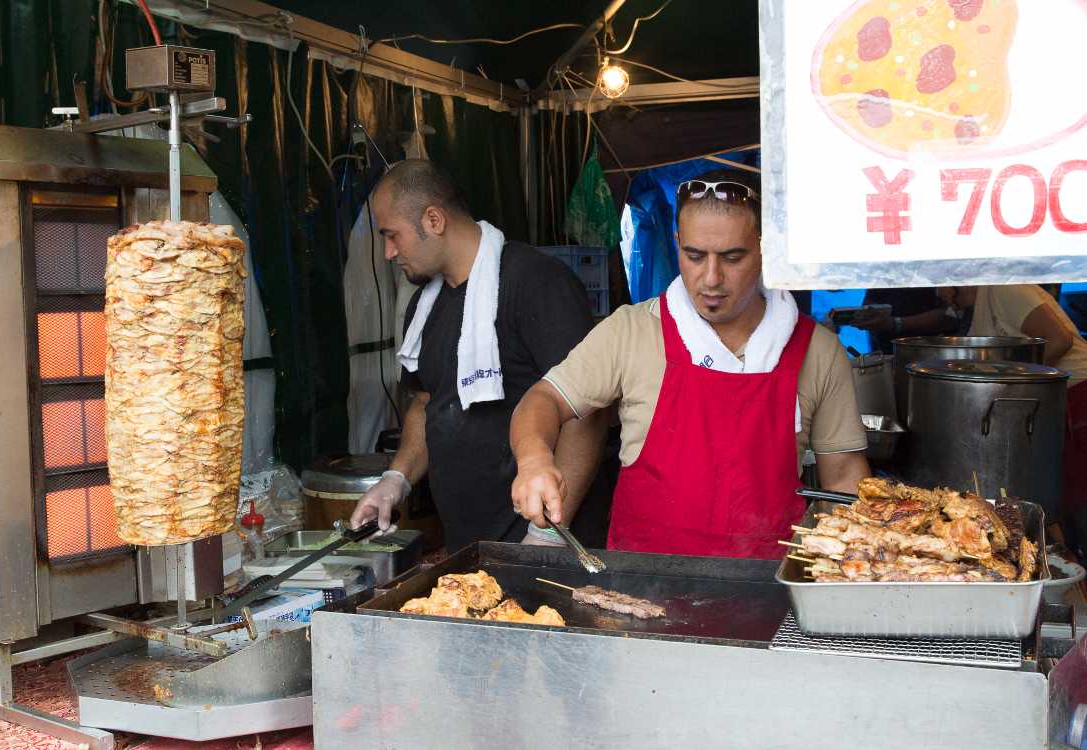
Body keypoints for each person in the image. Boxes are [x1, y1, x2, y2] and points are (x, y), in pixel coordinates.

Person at [509, 169, 871, 559]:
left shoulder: (817, 351)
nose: (711, 278)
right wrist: (534, 460)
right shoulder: (632, 331)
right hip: (641, 583)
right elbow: (544, 398)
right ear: (677, 242)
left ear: (767, 248)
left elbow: (844, 476)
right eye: (694, 256)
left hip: (769, 587)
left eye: (733, 257)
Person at [350, 160, 610, 553]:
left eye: (392, 235)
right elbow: (426, 404)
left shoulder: (537, 283)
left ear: (434, 219)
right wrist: (396, 480)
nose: (388, 252)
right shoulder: (424, 307)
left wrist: (545, 536)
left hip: (548, 541)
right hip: (468, 542)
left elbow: (589, 412)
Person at [937, 284, 1087, 550]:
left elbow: (1060, 339)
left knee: (1079, 497)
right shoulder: (979, 307)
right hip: (1052, 401)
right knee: (1066, 495)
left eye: (939, 285)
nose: (938, 293)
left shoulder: (1006, 288)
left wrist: (1011, 381)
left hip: (1079, 393)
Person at [852, 288, 962, 354]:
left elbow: (953, 315)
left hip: (929, 357)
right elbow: (870, 301)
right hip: (885, 355)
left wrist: (895, 323)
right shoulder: (885, 264)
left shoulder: (937, 263)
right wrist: (870, 314)